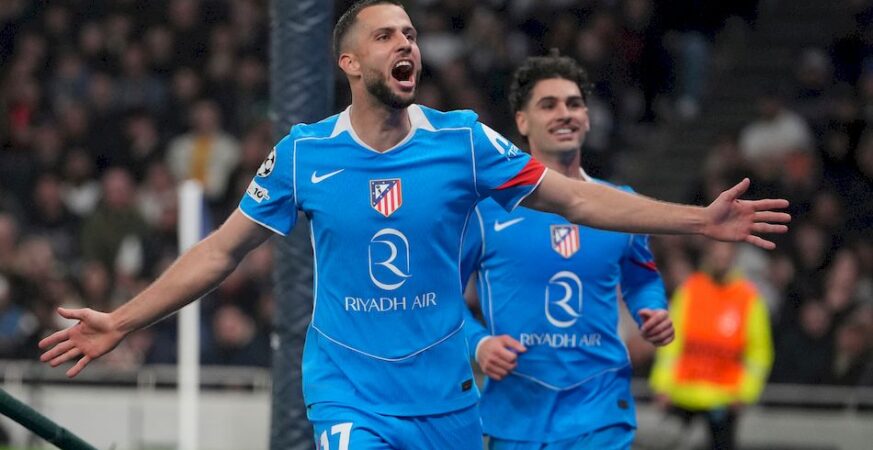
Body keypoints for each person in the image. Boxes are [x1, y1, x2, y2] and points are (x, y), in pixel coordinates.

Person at [39, 1, 790, 448]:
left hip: (446, 399)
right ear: (347, 62)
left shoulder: (463, 141)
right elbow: (219, 251)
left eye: (410, 34)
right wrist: (122, 321)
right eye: (386, 35)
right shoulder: (303, 154)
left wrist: (699, 220)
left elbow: (579, 202)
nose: (406, 44)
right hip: (348, 391)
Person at [462, 53, 674, 450]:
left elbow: (642, 278)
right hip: (518, 414)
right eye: (549, 105)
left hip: (601, 410)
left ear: (588, 119)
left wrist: (653, 310)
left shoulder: (621, 203)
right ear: (522, 122)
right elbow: (442, 298)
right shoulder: (485, 211)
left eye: (574, 104)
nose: (565, 114)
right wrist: (479, 343)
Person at [649, 241, 774, 450]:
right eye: (716, 255)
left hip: (724, 399)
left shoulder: (748, 299)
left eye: (725, 256)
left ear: (734, 257)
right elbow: (671, 344)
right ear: (708, 256)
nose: (720, 260)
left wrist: (745, 393)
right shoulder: (690, 291)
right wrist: (662, 385)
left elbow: (759, 354)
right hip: (683, 395)